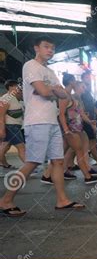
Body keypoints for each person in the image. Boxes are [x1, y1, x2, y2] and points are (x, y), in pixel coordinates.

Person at [0, 36, 85, 216]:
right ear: (36, 48)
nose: (50, 50)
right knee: (33, 161)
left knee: (58, 161)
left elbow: (65, 96)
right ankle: (6, 200)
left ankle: (62, 200)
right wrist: (53, 90)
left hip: (52, 121)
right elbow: (44, 91)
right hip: (37, 121)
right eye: (46, 47)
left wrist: (53, 90)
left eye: (52, 48)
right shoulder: (30, 66)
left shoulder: (51, 72)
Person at [54, 75, 97, 184]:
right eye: (75, 80)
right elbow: (61, 114)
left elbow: (80, 112)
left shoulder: (71, 96)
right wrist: (66, 130)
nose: (77, 82)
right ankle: (87, 176)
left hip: (75, 129)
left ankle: (48, 175)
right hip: (71, 130)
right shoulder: (64, 95)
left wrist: (89, 121)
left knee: (60, 153)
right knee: (79, 152)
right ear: (71, 82)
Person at [0, 80, 25, 167]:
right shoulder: (6, 98)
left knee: (5, 147)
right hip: (10, 127)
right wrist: (2, 129)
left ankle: (4, 164)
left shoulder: (16, 99)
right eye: (17, 86)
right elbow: (1, 115)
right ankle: (29, 167)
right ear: (10, 87)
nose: (19, 88)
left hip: (16, 126)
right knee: (21, 147)